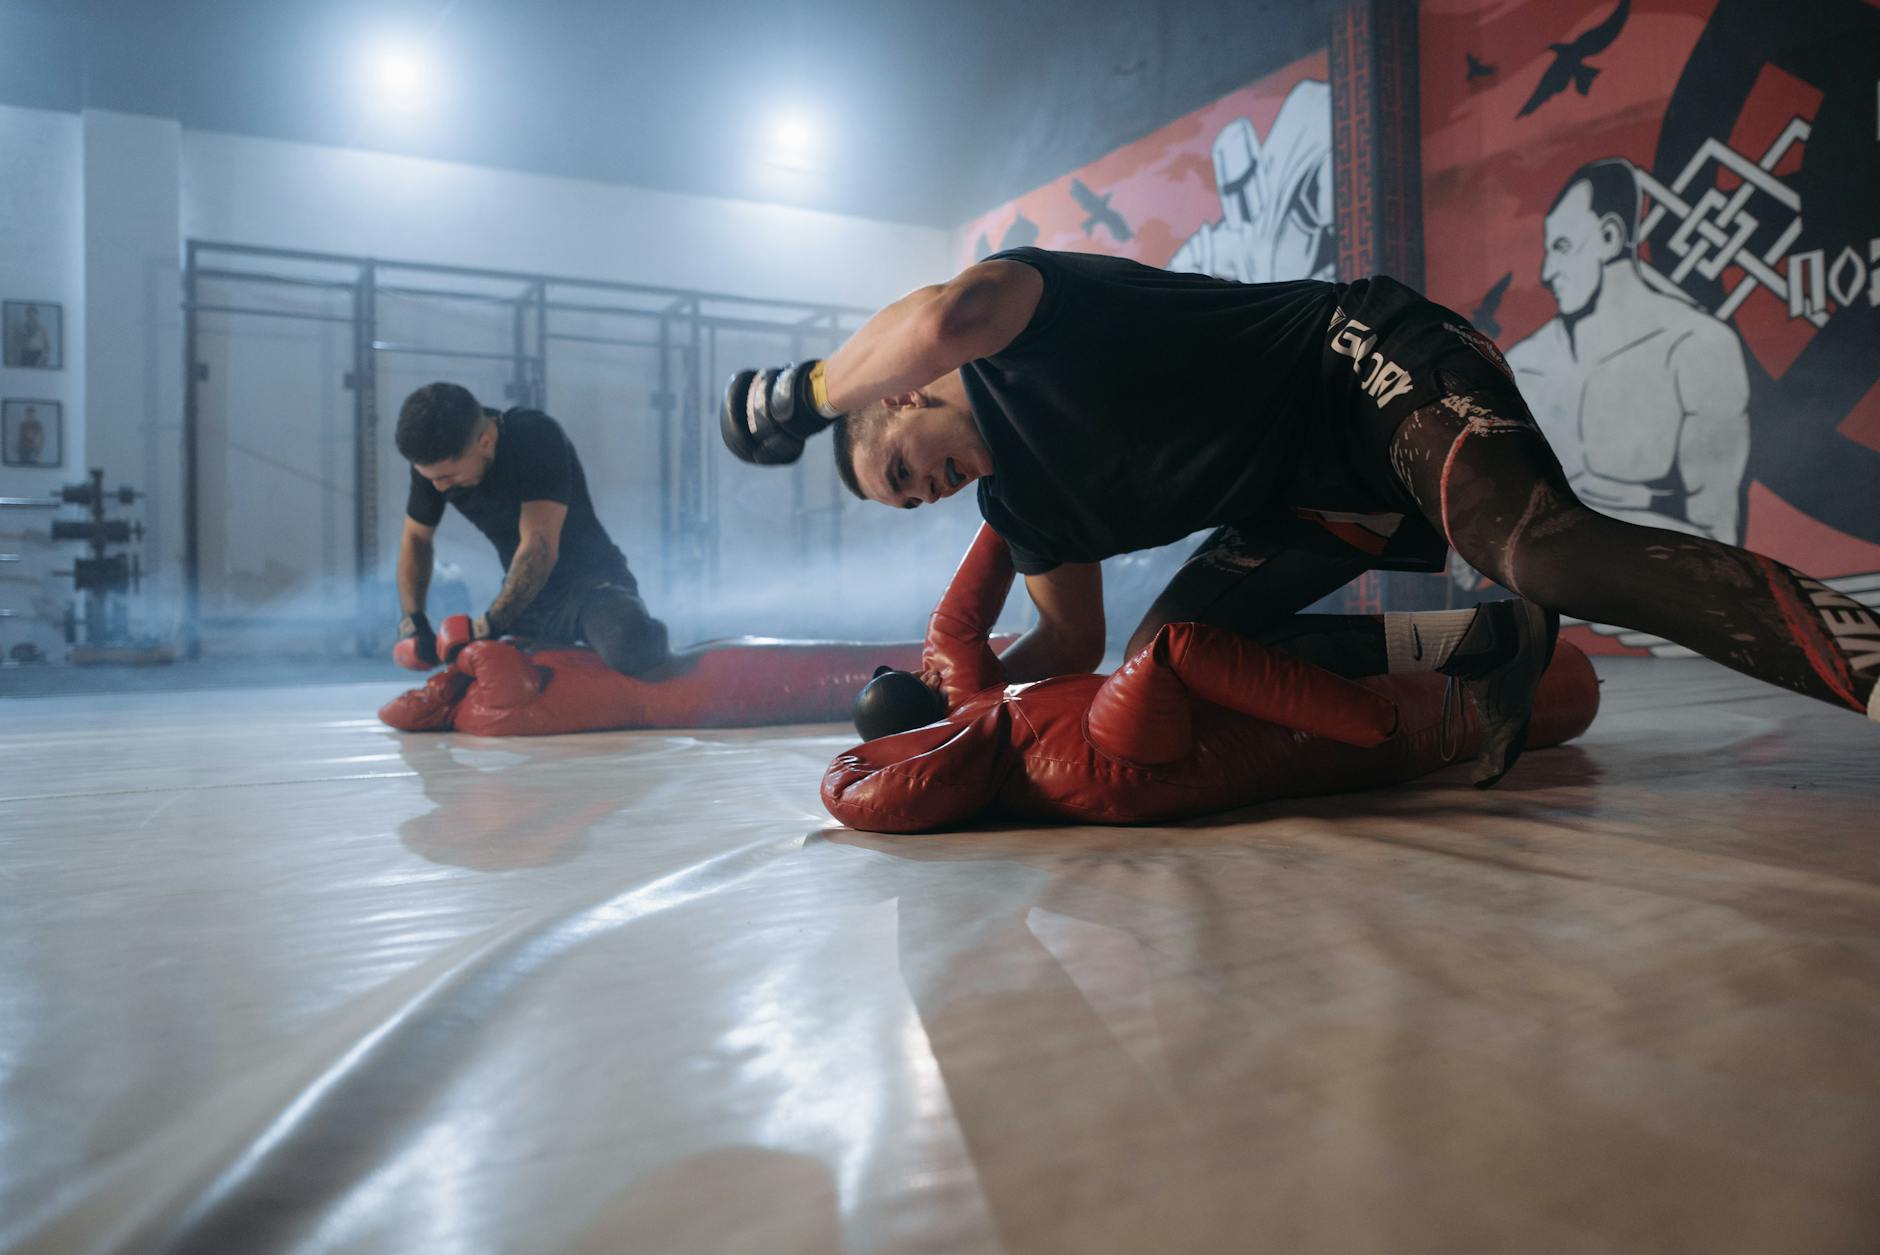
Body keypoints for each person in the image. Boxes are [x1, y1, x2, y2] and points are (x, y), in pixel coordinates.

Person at [726, 246, 1880, 785]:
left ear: (902, 397)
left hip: (1364, 369)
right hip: (1311, 496)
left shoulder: (1019, 321)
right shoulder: (1025, 501)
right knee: (1173, 657)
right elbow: (1069, 648)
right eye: (916, 503)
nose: (931, 496)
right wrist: (960, 709)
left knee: (1539, 545)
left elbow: (943, 311)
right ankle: (1485, 644)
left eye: (908, 472)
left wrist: (805, 393)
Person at [1507, 158, 1750, 543]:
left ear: (1609, 237)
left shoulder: (1696, 347)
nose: (1546, 272)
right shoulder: (1523, 364)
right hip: (1548, 597)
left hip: (1657, 593)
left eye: (1563, 246)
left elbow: (1716, 540)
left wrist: (1628, 508)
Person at [395, 382, 667, 676]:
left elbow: (539, 546)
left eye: (448, 476)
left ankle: (642, 631)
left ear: (484, 441)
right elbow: (416, 540)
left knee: (628, 646)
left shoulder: (534, 436)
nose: (439, 486)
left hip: (592, 587)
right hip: (526, 601)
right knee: (469, 670)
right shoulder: (435, 464)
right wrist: (414, 623)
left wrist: (490, 625)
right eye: (431, 478)